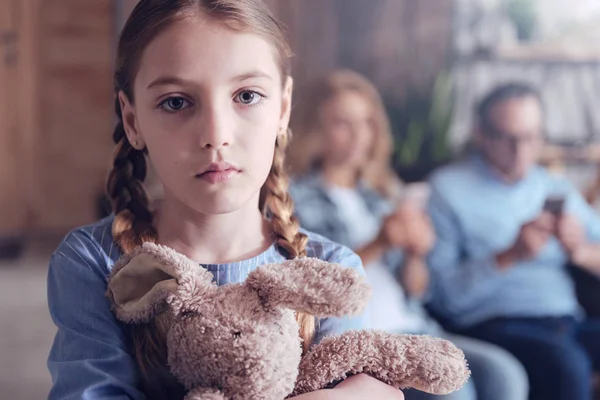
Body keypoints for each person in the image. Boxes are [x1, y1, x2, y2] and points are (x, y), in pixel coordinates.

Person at [45, 2, 405, 399]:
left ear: (283, 108)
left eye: (247, 96)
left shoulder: (331, 269)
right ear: (132, 122)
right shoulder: (93, 261)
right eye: (177, 102)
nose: (216, 135)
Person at [288, 69, 528, 400]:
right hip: (363, 338)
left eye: (367, 122)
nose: (360, 135)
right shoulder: (294, 197)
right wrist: (379, 243)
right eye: (343, 123)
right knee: (456, 393)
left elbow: (417, 290)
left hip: (412, 325)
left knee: (505, 374)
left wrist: (416, 253)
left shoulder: (383, 192)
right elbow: (315, 288)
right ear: (315, 131)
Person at [427, 82, 600, 400]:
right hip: (495, 324)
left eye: (531, 137)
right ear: (481, 134)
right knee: (566, 365)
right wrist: (509, 255)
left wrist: (581, 252)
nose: (521, 151)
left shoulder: (554, 186)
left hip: (565, 319)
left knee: (568, 355)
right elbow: (443, 297)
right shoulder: (447, 190)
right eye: (508, 138)